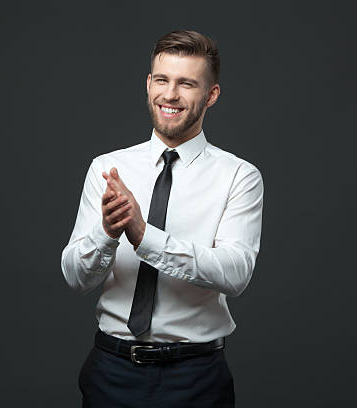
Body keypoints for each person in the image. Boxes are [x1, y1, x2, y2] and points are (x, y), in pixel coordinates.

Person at [61, 30, 264, 407]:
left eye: (186, 83)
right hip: (111, 372)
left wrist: (143, 235)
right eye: (162, 80)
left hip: (196, 378)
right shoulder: (107, 168)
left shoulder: (239, 176)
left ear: (211, 95)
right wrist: (107, 234)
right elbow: (76, 278)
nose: (170, 95)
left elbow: (236, 273)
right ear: (149, 83)